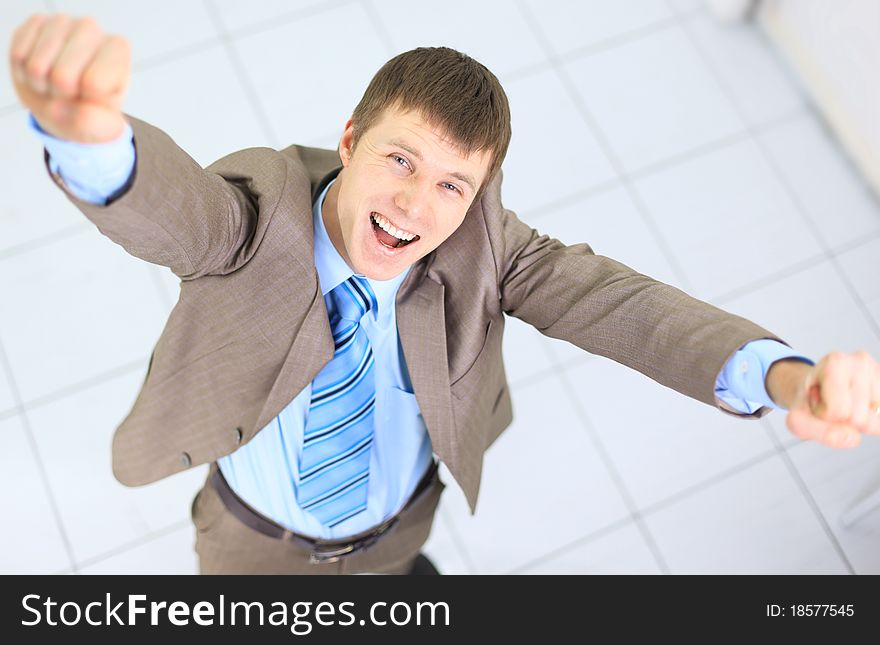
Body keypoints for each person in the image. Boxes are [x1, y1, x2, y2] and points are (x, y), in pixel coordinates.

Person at [9, 13, 880, 575]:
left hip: (397, 531)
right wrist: (90, 140)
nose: (416, 208)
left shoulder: (486, 249)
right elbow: (177, 211)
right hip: (251, 544)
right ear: (350, 139)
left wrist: (784, 378)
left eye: (453, 186)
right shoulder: (254, 218)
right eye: (400, 159)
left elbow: (629, 309)